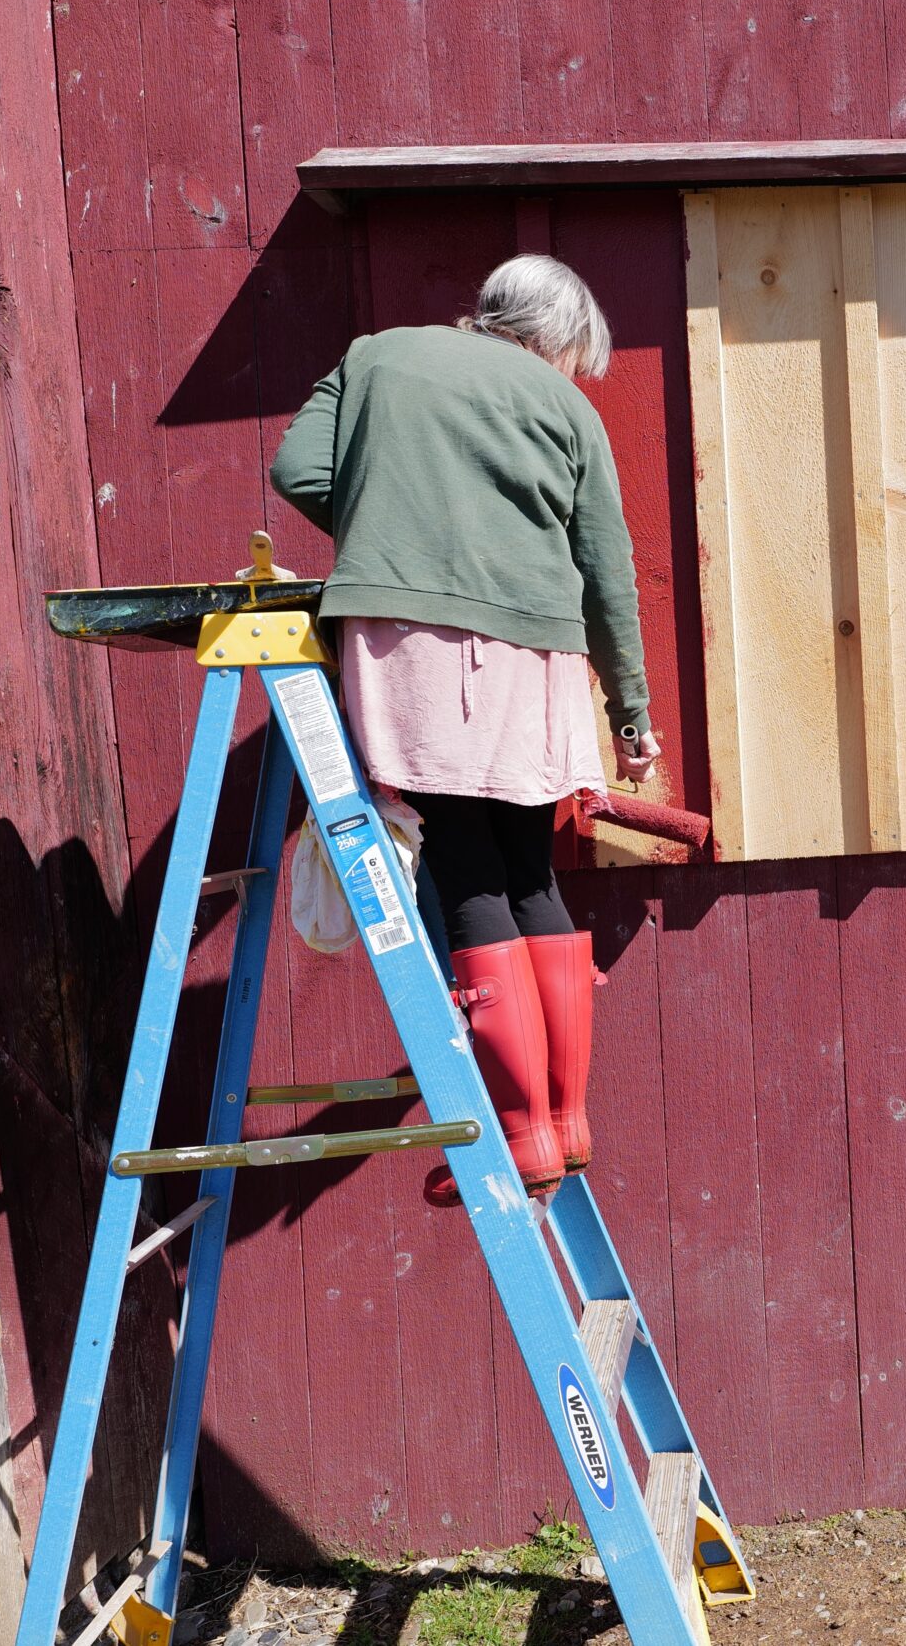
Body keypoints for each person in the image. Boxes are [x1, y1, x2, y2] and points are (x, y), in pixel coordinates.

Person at [267, 254, 659, 1206]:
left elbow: (297, 469)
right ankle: (564, 1124)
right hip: (539, 657)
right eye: (572, 358)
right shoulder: (566, 408)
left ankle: (522, 1135)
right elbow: (607, 569)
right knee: (530, 873)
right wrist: (632, 714)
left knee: (467, 868)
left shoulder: (374, 357)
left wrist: (393, 529)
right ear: (554, 340)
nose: (567, 375)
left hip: (413, 646)